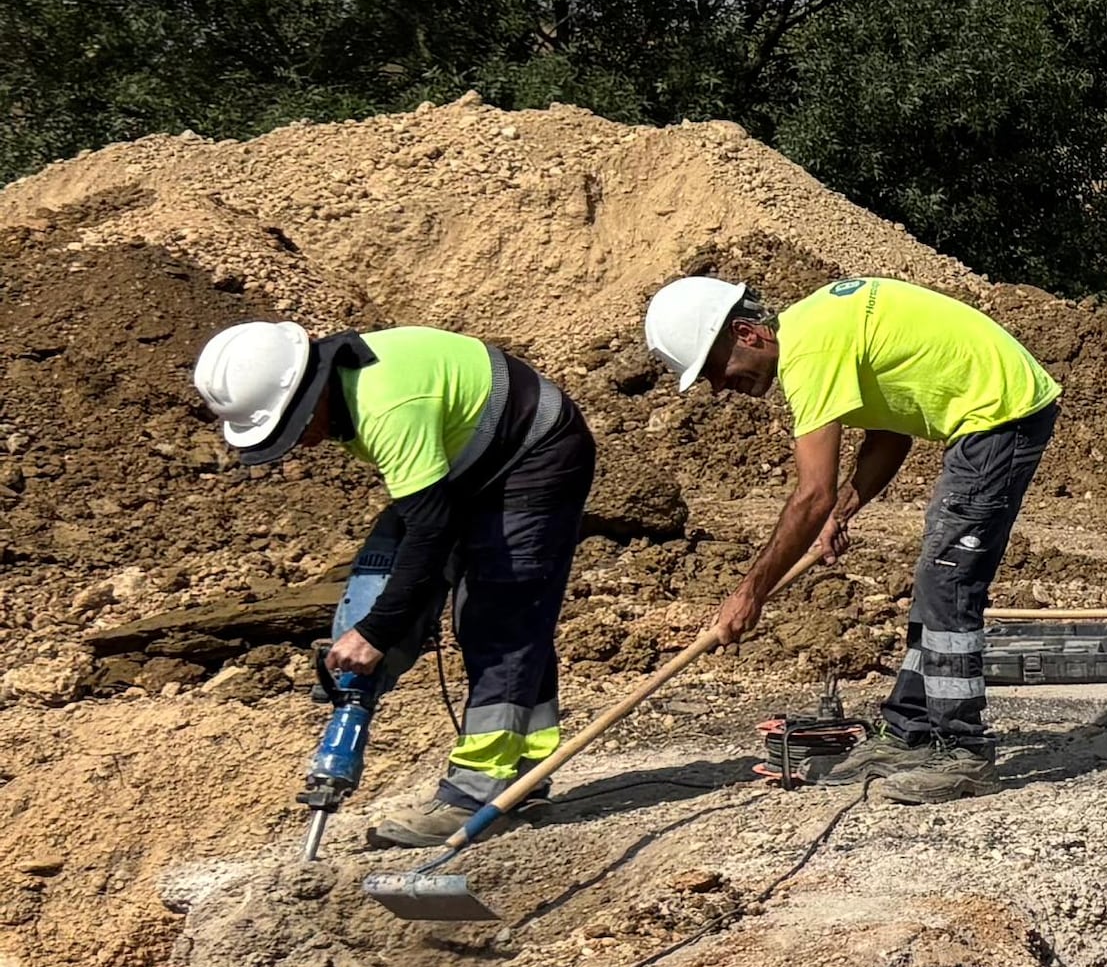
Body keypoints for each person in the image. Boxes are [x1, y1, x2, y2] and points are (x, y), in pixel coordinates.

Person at [644, 270, 1060, 800]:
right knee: (936, 580)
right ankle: (910, 732)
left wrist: (750, 593)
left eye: (715, 369)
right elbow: (891, 433)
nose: (721, 387)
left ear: (747, 334)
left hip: (1002, 414)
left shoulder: (810, 353)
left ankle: (963, 751)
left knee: (949, 582)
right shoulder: (820, 330)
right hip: (988, 414)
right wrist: (842, 513)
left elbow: (810, 495)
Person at [189, 318, 598, 848]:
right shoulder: (343, 392)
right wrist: (374, 629)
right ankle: (525, 776)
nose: (298, 445)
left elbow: (431, 533)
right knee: (388, 579)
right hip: (471, 459)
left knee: (500, 617)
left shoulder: (384, 407)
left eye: (289, 428)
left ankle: (479, 794)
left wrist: (377, 633)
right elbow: (422, 529)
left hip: (537, 449)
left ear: (305, 396)